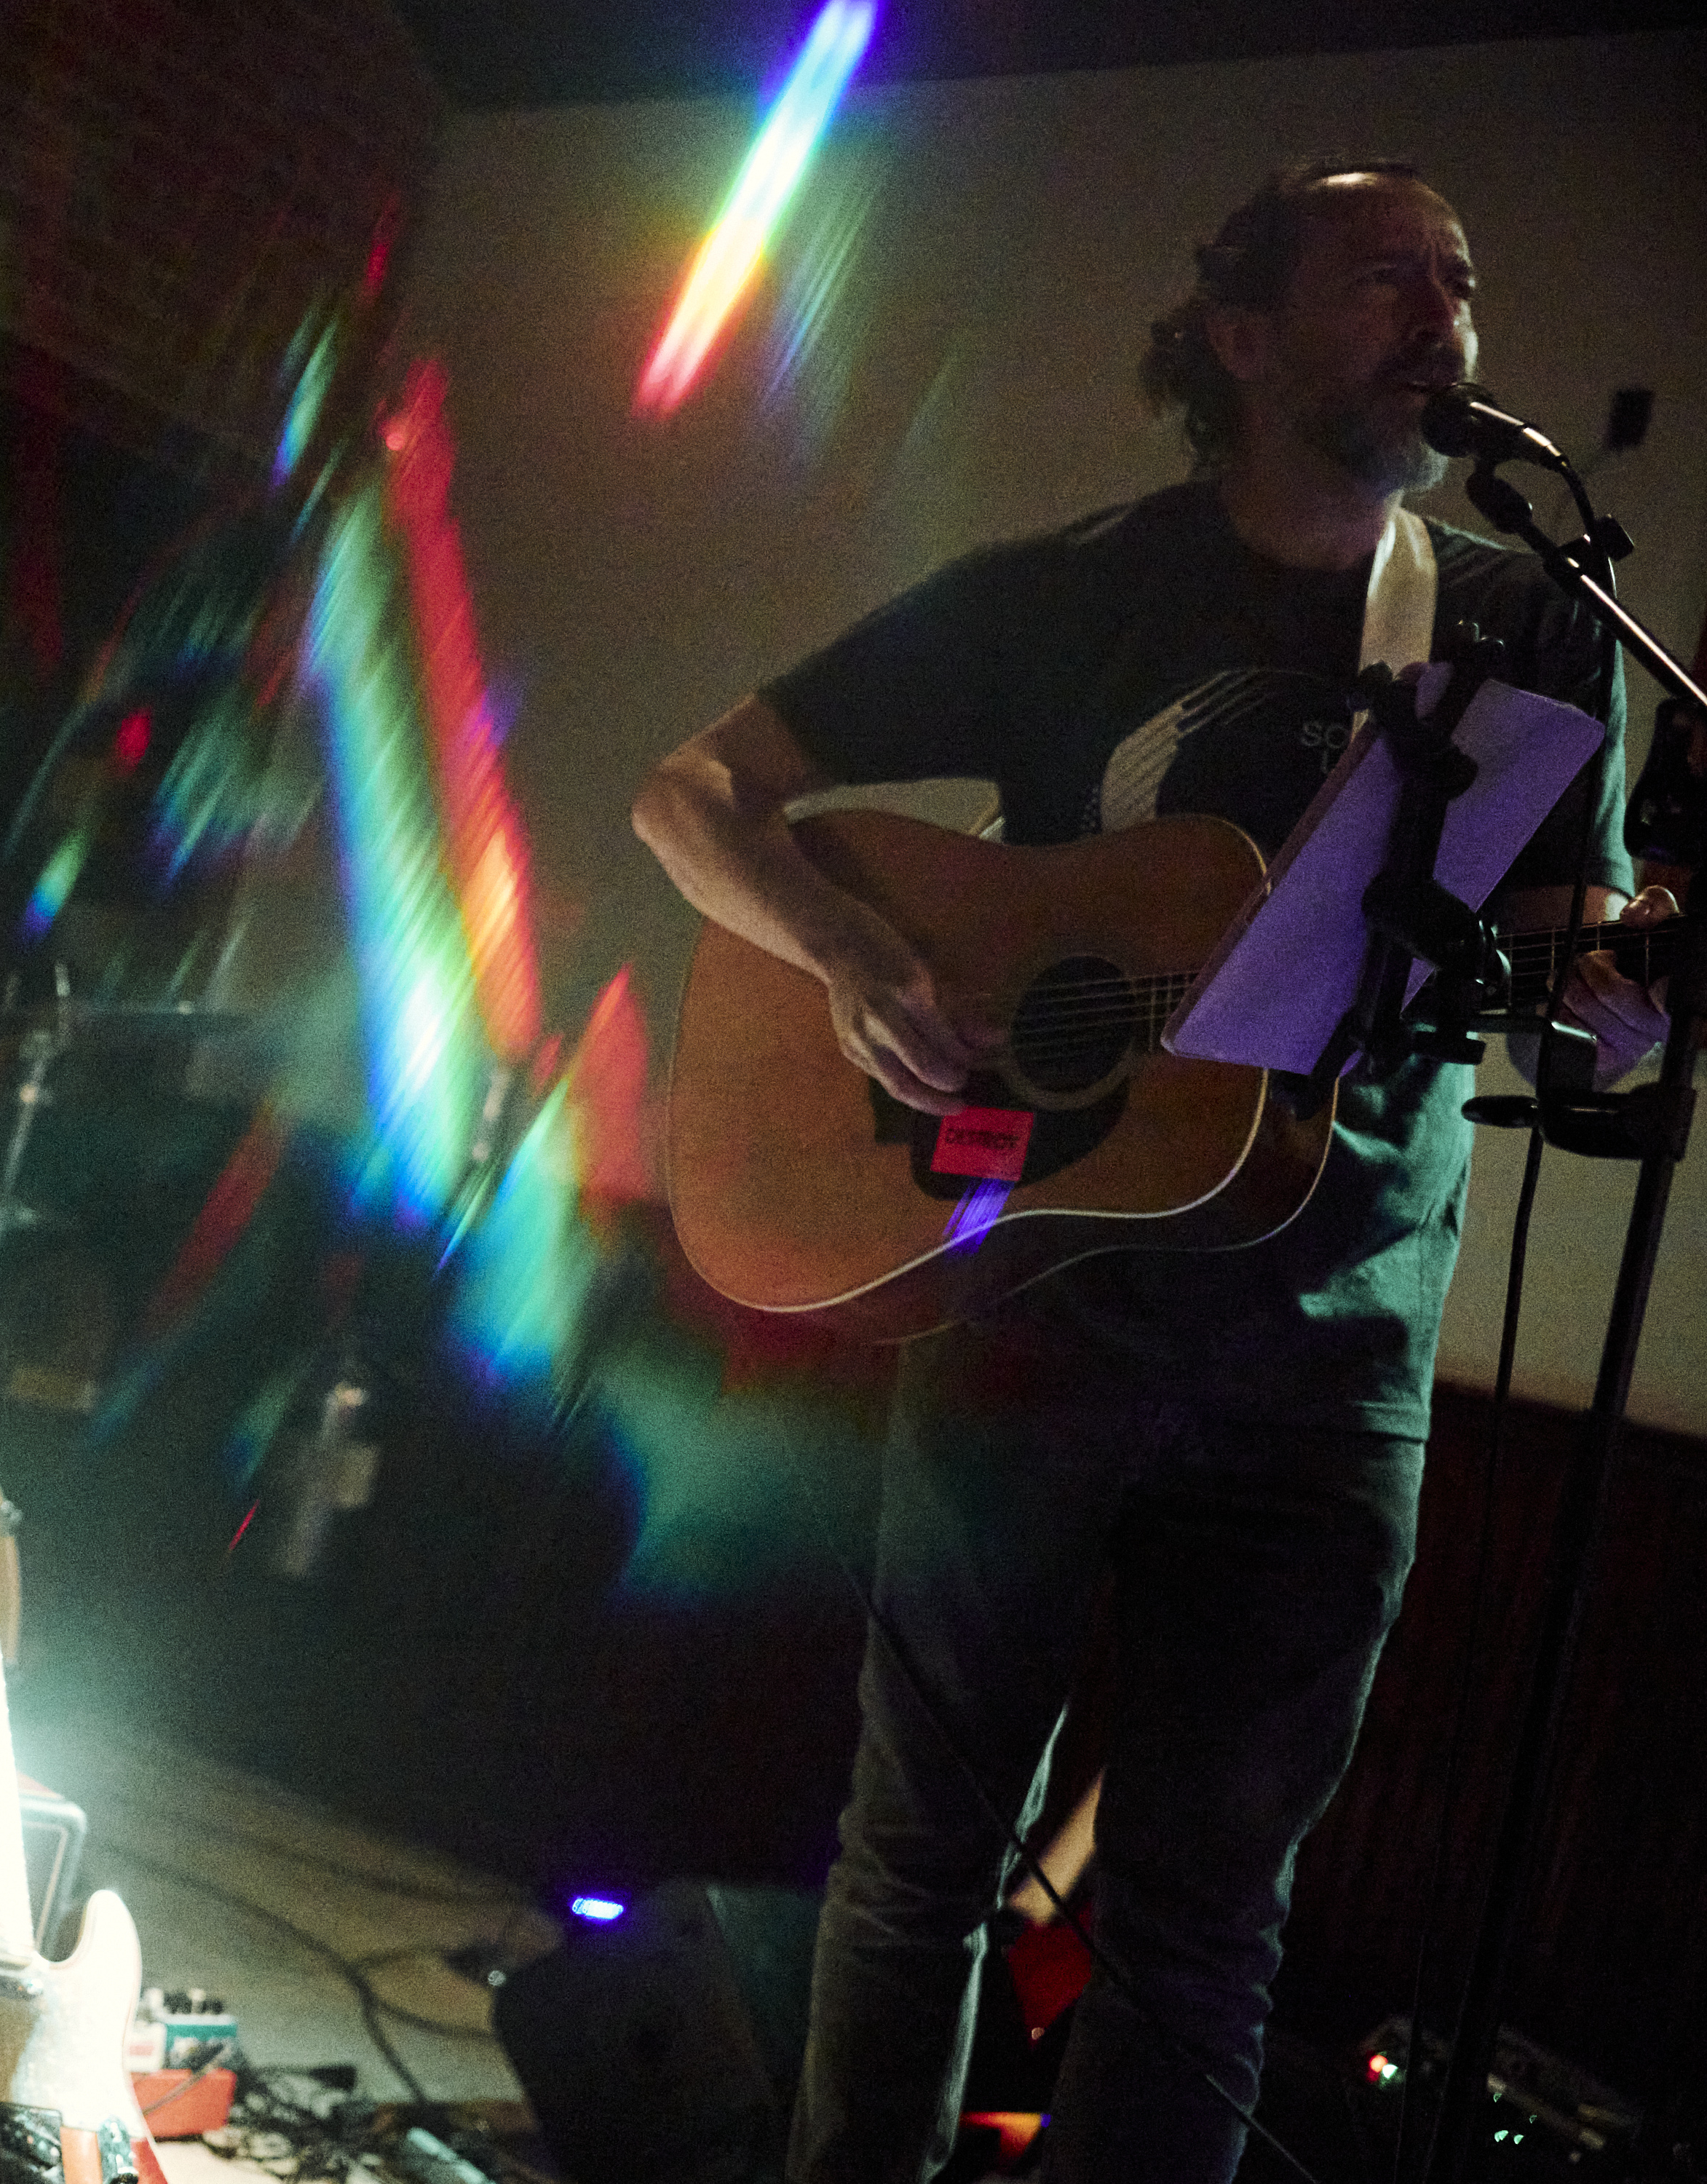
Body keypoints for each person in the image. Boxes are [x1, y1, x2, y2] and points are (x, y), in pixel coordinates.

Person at [630, 161, 1672, 2183]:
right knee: (921, 1856)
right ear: (1238, 335)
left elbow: (1568, 980)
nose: (1440, 310)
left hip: (1336, 1340)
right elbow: (696, 797)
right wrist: (857, 955)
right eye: (1383, 276)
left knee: (1203, 1920)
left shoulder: (1533, 619)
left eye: (1459, 279)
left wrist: (1621, 1014)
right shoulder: (1067, 587)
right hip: (1037, 1303)